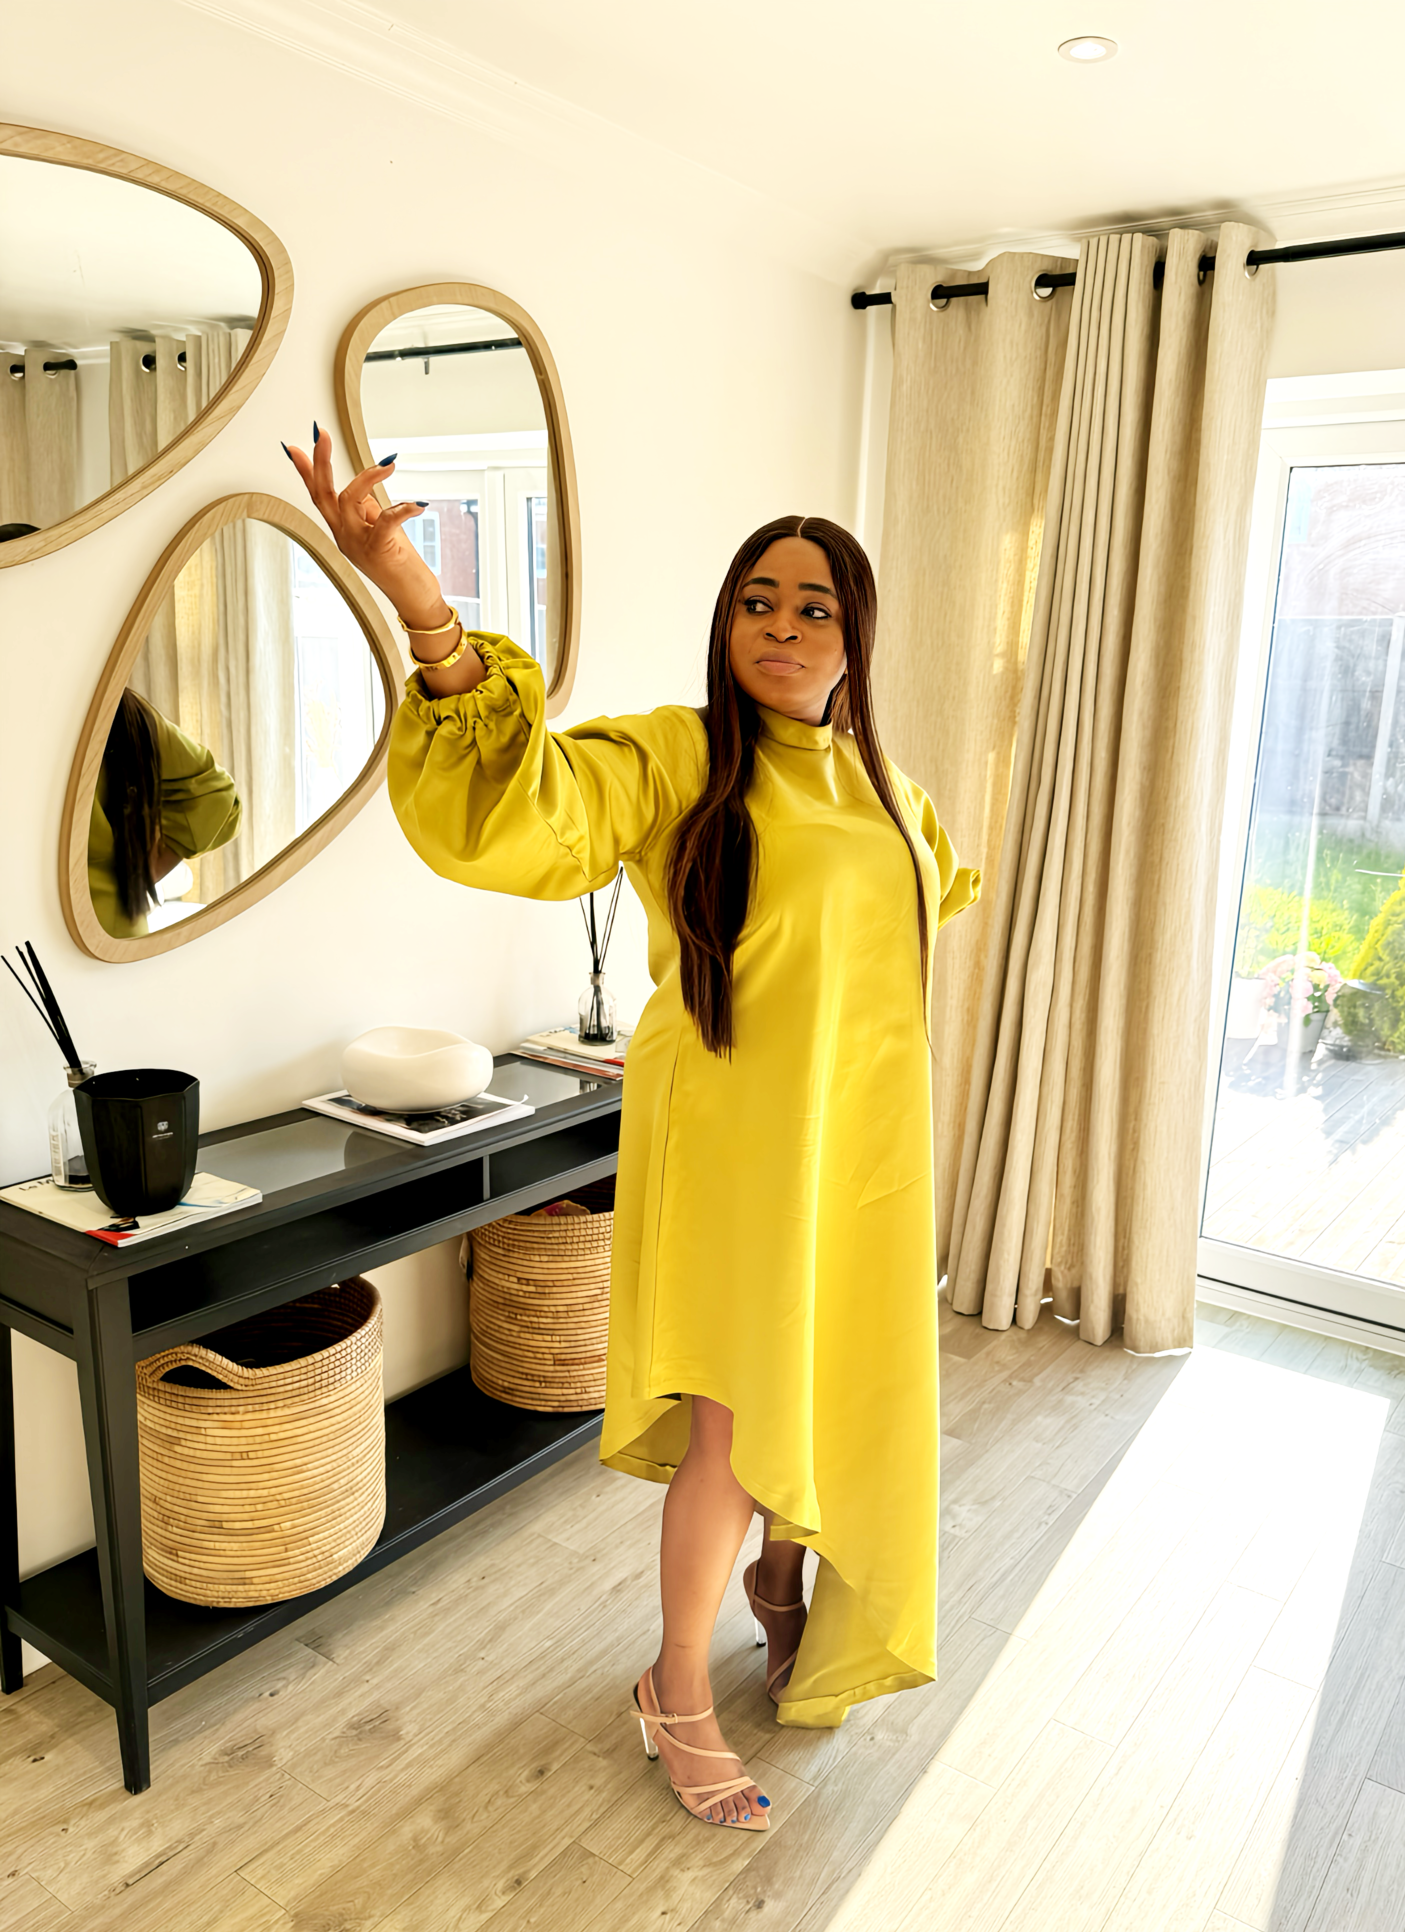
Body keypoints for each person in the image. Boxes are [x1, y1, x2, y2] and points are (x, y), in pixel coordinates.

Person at [284, 428, 979, 1831]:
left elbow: (912, 924)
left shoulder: (892, 793)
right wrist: (416, 590)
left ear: (858, 639)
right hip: (731, 1139)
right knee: (735, 1411)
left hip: (859, 1147)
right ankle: (674, 1682)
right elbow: (527, 806)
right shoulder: (678, 759)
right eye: (756, 602)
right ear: (727, 622)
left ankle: (783, 1581)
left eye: (814, 606)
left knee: (836, 1379)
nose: (779, 627)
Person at [89, 688, 242, 940]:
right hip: (109, 938)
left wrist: (142, 874)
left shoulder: (113, 706)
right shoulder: (113, 705)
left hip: (106, 940)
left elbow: (220, 798)